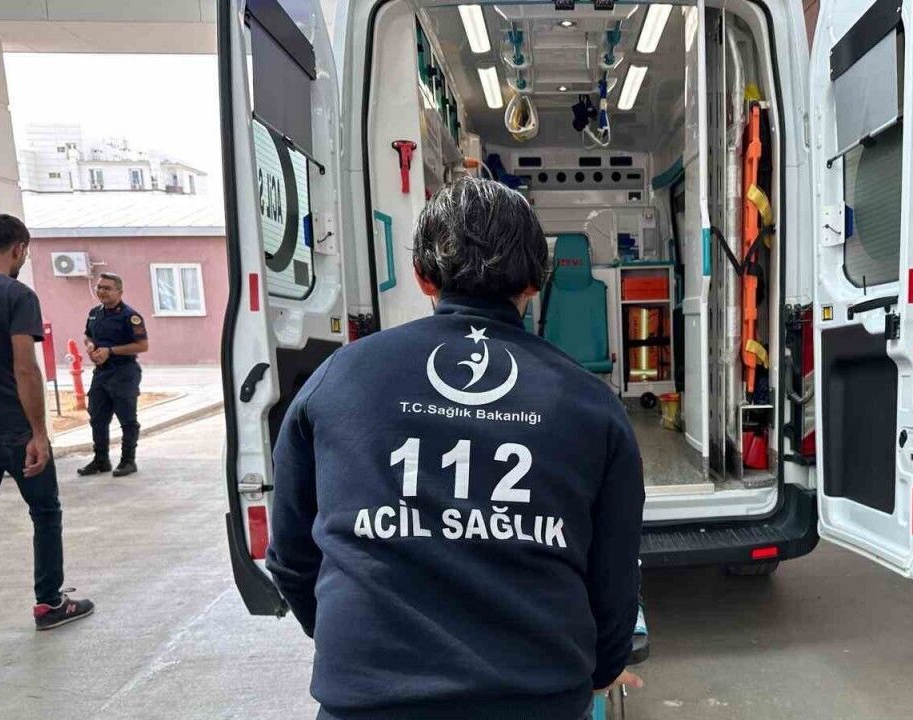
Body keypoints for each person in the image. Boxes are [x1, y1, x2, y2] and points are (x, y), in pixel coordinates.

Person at [267, 177, 645, 720]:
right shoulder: (591, 404)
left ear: (422, 275)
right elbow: (614, 581)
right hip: (537, 702)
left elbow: (291, 559)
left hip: (368, 703)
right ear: (534, 282)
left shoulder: (339, 379)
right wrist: (603, 668)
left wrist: (353, 650)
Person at [0, 214, 95, 630]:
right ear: (19, 249)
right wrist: (38, 433)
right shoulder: (16, 295)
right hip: (15, 430)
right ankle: (49, 604)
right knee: (45, 513)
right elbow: (25, 368)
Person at [76, 272, 148, 478]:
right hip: (101, 373)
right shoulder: (94, 313)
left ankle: (128, 461)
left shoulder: (130, 316)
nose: (102, 291)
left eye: (107, 288)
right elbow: (88, 335)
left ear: (119, 291)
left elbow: (142, 345)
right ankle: (101, 460)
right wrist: (91, 346)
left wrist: (110, 351)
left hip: (124, 372)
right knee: (97, 417)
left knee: (127, 419)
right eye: (99, 287)